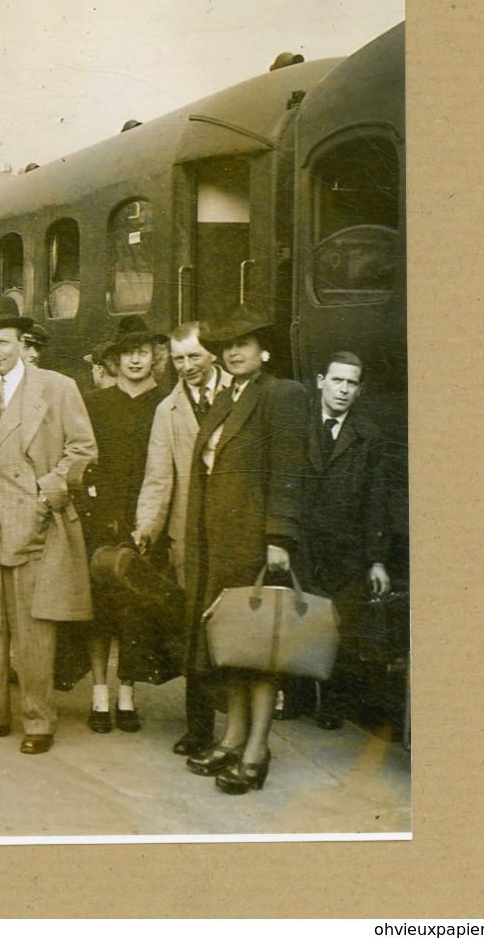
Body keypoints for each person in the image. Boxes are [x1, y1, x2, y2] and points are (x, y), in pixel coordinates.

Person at [0, 295, 96, 754]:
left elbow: (82, 450)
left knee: (33, 630)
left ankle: (38, 720)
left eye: (4, 342)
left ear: (21, 342)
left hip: (38, 527)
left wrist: (46, 494)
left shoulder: (57, 387)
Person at [182, 306, 310, 795]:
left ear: (265, 349)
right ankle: (233, 738)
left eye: (244, 343)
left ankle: (257, 750)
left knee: (260, 651)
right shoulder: (226, 398)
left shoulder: (284, 395)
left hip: (258, 545)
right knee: (231, 647)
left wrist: (280, 538)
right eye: (226, 345)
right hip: (218, 545)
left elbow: (289, 472)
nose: (233, 352)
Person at [132, 320, 232, 755]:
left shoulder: (240, 394)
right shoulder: (166, 411)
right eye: (178, 359)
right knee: (197, 631)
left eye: (194, 356)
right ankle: (199, 730)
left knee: (234, 627)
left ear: (211, 354)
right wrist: (146, 528)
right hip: (187, 535)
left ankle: (238, 731)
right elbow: (158, 477)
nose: (187, 366)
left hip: (233, 532)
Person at [77, 316, 170, 734]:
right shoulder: (95, 403)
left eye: (144, 352)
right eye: (127, 353)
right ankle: (99, 694)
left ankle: (127, 694)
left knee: (135, 610)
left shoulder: (166, 404)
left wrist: (147, 524)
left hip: (148, 522)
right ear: (114, 360)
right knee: (98, 610)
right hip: (101, 520)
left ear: (155, 357)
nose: (136, 359)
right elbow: (83, 460)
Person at [302, 352, 398, 730]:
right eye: (337, 380)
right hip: (304, 543)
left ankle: (333, 704)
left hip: (345, 547)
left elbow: (377, 499)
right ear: (320, 380)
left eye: (351, 383)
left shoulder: (368, 436)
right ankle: (296, 695)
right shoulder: (299, 423)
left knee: (341, 624)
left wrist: (376, 559)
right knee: (299, 615)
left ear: (360, 390)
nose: (343, 390)